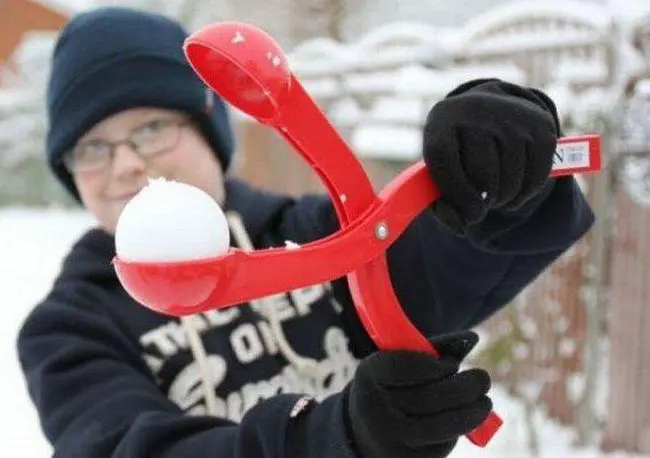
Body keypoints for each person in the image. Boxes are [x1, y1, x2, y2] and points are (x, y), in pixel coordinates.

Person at [16, 6, 594, 458]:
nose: (125, 165)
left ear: (210, 129)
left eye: (152, 127)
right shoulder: (69, 329)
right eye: (92, 147)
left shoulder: (317, 232)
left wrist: (497, 168)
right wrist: (334, 440)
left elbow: (445, 263)